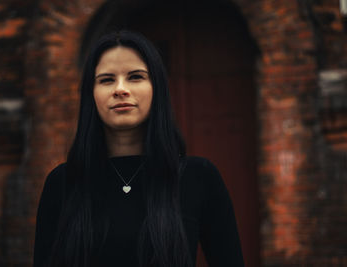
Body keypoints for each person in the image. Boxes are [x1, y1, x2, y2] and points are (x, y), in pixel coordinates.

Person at [33, 30, 244, 267]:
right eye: (106, 80)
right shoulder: (62, 183)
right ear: (91, 94)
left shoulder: (198, 177)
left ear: (157, 88)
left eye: (135, 77)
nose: (120, 89)